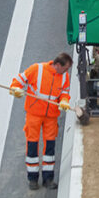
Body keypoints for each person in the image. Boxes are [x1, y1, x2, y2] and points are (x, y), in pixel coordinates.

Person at [9, 52, 73, 190]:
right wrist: (15, 89)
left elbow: (65, 92)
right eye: (65, 68)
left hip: (51, 116)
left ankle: (48, 179)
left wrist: (64, 100)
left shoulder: (64, 76)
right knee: (32, 144)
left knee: (50, 147)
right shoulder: (36, 69)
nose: (67, 71)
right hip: (34, 115)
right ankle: (32, 179)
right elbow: (18, 81)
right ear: (57, 65)